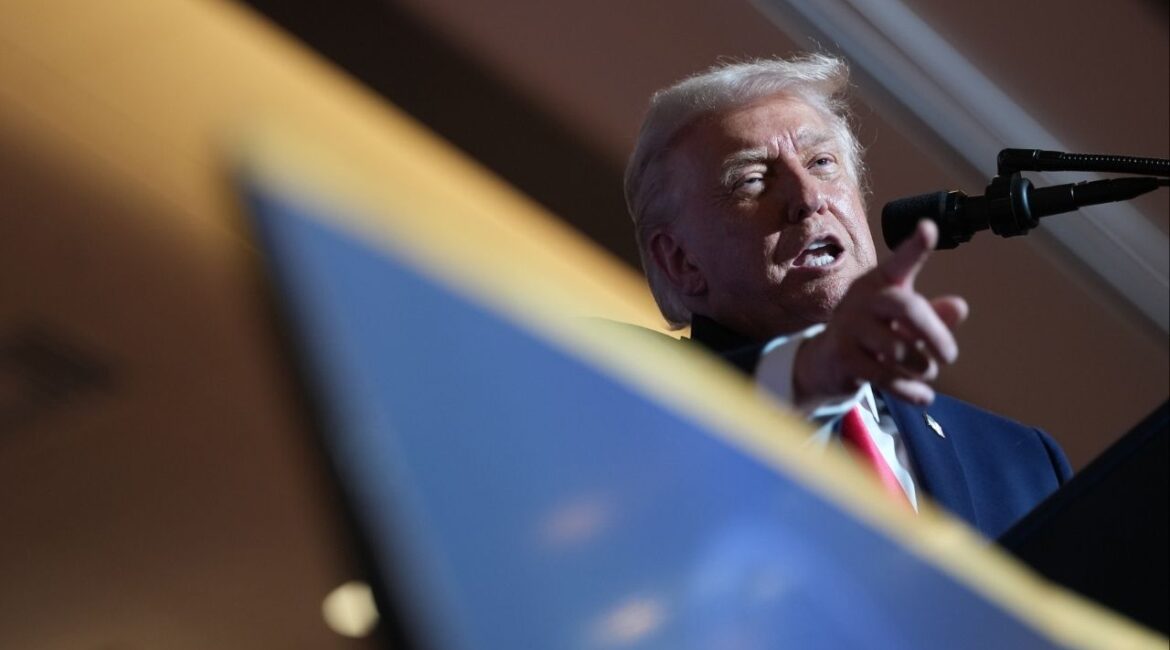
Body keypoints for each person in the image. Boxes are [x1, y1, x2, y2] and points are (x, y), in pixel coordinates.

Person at [624, 53, 1070, 539]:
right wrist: (811, 373)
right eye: (752, 180)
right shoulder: (628, 395)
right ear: (681, 261)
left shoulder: (1020, 462)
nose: (808, 196)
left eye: (822, 163)